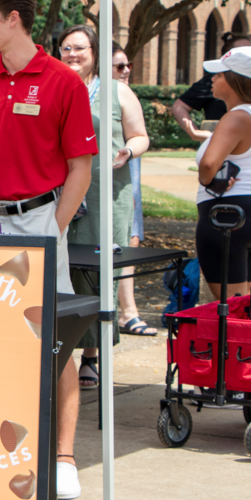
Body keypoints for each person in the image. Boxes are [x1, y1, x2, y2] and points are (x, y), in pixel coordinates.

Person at [0, 0, 96, 500]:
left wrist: (52, 229)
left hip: (38, 222)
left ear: (14, 19)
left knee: (54, 342)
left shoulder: (63, 81)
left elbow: (80, 168)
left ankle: (62, 456)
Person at [58, 27, 150, 392]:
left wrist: (129, 150)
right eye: (65, 48)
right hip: (59, 190)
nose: (72, 54)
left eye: (79, 48)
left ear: (95, 52)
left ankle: (92, 357)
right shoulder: (54, 87)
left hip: (104, 194)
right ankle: (60, 350)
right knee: (64, 268)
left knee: (97, 272)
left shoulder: (117, 91)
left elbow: (140, 135)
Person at [184, 46, 251, 300]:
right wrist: (210, 137)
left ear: (235, 80)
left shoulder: (234, 118)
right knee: (242, 305)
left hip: (227, 218)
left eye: (220, 74)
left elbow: (210, 164)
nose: (212, 79)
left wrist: (205, 179)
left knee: (230, 311)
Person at [112, 45, 156, 337]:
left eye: (128, 65)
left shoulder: (125, 95)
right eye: (119, 66)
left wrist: (128, 150)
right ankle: (126, 311)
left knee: (129, 240)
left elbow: (140, 137)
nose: (126, 70)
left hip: (125, 175)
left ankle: (128, 310)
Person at [171, 32, 251, 141]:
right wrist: (196, 133)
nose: (214, 79)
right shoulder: (211, 83)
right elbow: (179, 106)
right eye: (218, 75)